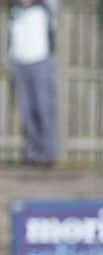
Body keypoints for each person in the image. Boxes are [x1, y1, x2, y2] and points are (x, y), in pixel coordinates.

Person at [7, 0, 57, 167]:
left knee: (43, 108)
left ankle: (48, 153)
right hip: (19, 62)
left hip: (40, 61)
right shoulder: (15, 9)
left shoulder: (46, 6)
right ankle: (31, 154)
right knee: (26, 110)